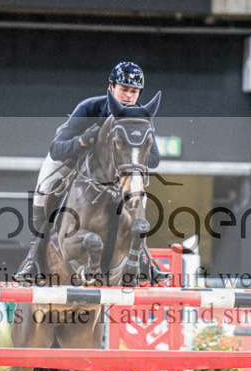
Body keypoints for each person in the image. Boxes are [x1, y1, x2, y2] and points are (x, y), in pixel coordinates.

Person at [14, 62, 163, 284]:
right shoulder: (90, 108)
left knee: (138, 192)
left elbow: (154, 158)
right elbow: (57, 149)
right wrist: (83, 141)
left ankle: (143, 258)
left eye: (134, 91)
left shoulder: (139, 117)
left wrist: (133, 162)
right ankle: (32, 258)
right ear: (111, 87)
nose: (129, 96)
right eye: (124, 89)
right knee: (44, 188)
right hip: (74, 161)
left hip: (117, 173)